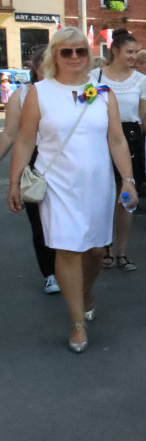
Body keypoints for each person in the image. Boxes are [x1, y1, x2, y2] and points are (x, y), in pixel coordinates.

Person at [7, 27, 137, 352]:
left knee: (94, 250)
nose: (75, 58)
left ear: (89, 54)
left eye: (80, 51)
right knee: (67, 250)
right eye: (67, 52)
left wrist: (128, 180)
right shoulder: (39, 92)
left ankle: (86, 292)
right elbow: (24, 140)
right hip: (56, 185)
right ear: (55, 56)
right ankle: (77, 322)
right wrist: (14, 180)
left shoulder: (104, 93)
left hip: (97, 184)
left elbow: (117, 139)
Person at [0, 47, 59, 294]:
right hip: (34, 161)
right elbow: (10, 134)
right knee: (39, 221)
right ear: (35, 68)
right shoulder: (23, 95)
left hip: (64, 159)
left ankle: (73, 270)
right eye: (42, 66)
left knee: (66, 219)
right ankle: (51, 273)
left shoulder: (70, 93)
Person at [90, 29, 146, 272]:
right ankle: (105, 247)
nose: (134, 56)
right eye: (129, 52)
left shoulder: (141, 80)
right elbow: (84, 107)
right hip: (101, 137)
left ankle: (121, 252)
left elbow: (144, 118)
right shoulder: (95, 76)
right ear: (115, 51)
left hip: (131, 138)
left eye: (136, 52)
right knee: (105, 196)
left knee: (126, 198)